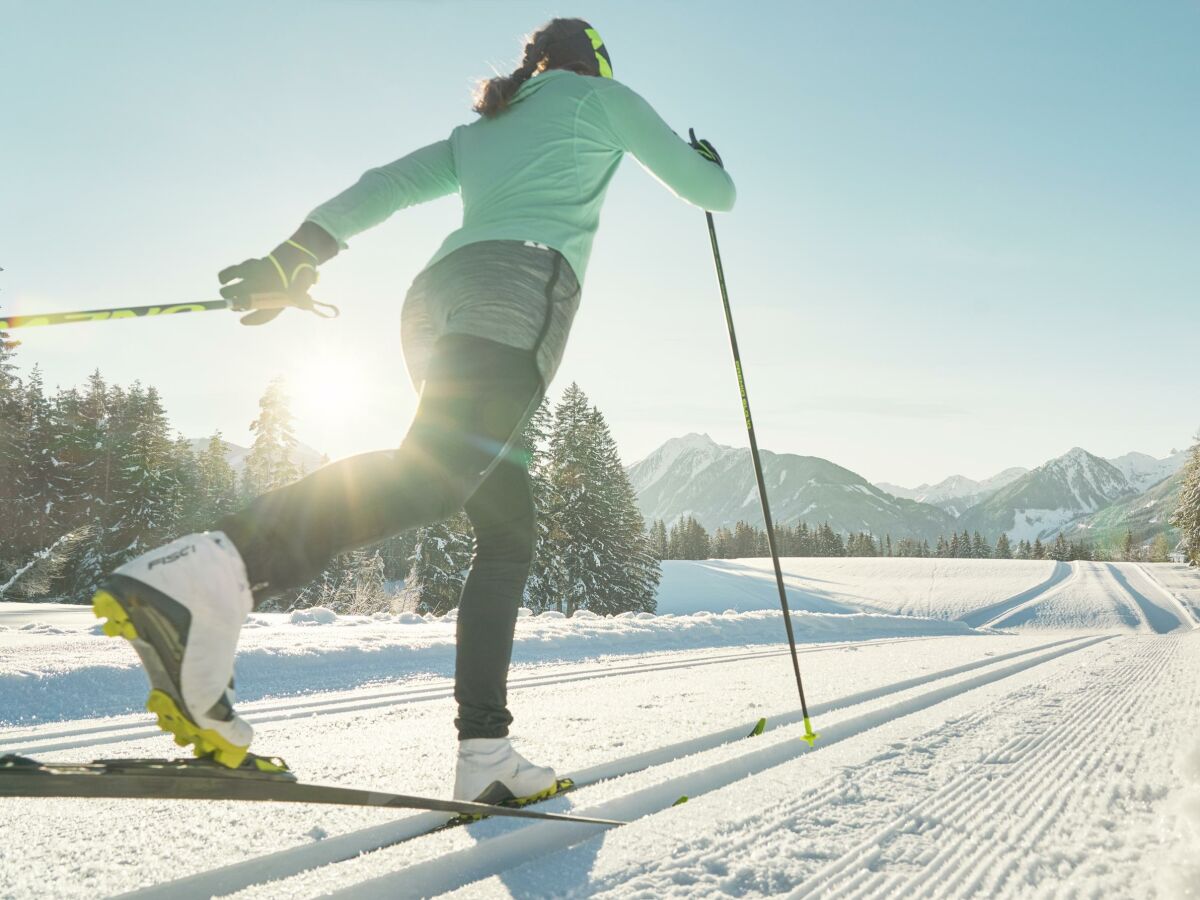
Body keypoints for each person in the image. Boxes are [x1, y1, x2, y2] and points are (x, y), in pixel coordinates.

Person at [92, 17, 735, 804]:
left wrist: (297, 253)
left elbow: (386, 185)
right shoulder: (602, 99)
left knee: (504, 530)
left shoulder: (485, 129)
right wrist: (706, 159)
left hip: (434, 304)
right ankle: (208, 571)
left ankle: (486, 752)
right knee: (430, 476)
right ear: (591, 63)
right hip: (515, 293)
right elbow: (714, 195)